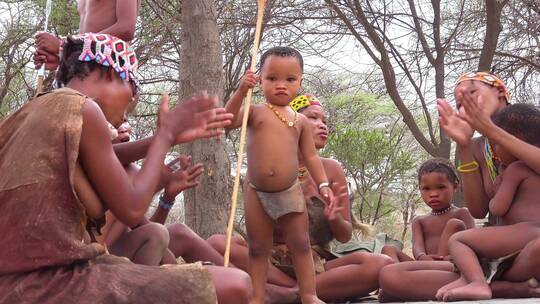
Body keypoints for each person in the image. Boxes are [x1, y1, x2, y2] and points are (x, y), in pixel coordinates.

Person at [0, 33, 252, 303]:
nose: (127, 109)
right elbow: (132, 209)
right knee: (237, 285)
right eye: (131, 92)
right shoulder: (84, 108)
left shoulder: (35, 110)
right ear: (109, 73)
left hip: (15, 281)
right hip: (48, 284)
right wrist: (165, 135)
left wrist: (160, 139)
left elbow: (106, 155)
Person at [209, 93, 391, 303]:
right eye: (313, 118)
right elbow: (258, 232)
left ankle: (284, 293)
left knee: (380, 263)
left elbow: (344, 235)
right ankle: (292, 292)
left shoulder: (331, 170)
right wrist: (285, 199)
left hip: (315, 264)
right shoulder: (262, 169)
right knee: (217, 243)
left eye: (324, 121)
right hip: (269, 262)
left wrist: (333, 216)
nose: (322, 125)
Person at [378, 71, 540, 301]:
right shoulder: (479, 147)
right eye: (459, 103)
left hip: (529, 253)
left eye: (472, 93)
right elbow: (478, 210)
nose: (466, 105)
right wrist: (463, 145)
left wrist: (496, 133)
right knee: (391, 275)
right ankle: (503, 286)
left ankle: (493, 283)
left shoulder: (531, 127)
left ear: (500, 92)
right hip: (496, 257)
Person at [224, 47, 336, 304]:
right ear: (260, 79)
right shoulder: (256, 111)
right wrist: (241, 91)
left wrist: (323, 184)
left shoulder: (300, 121)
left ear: (300, 81)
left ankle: (309, 295)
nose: (281, 85)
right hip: (256, 191)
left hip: (290, 190)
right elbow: (228, 121)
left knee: (300, 244)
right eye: (272, 78)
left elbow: (310, 157)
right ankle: (257, 297)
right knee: (258, 248)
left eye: (290, 79)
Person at [435, 104, 540, 301]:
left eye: (496, 144)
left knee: (459, 240)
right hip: (526, 238)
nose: (493, 150)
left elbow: (497, 207)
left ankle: (477, 282)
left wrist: (499, 184)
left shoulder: (516, 169)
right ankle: (481, 280)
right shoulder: (527, 168)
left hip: (527, 232)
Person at [382, 158, 475, 263]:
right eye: (426, 189)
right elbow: (418, 245)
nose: (433, 194)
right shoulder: (419, 221)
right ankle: (398, 274)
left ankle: (430, 270)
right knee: (388, 249)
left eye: (441, 187)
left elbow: (473, 244)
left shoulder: (462, 213)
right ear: (420, 189)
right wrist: (421, 256)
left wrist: (454, 257)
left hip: (450, 266)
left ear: (455, 186)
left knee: (454, 224)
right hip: (425, 265)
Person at [34, 0, 140, 71]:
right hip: (86, 70)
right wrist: (64, 58)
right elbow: (87, 43)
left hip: (111, 72)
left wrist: (67, 45)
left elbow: (126, 28)